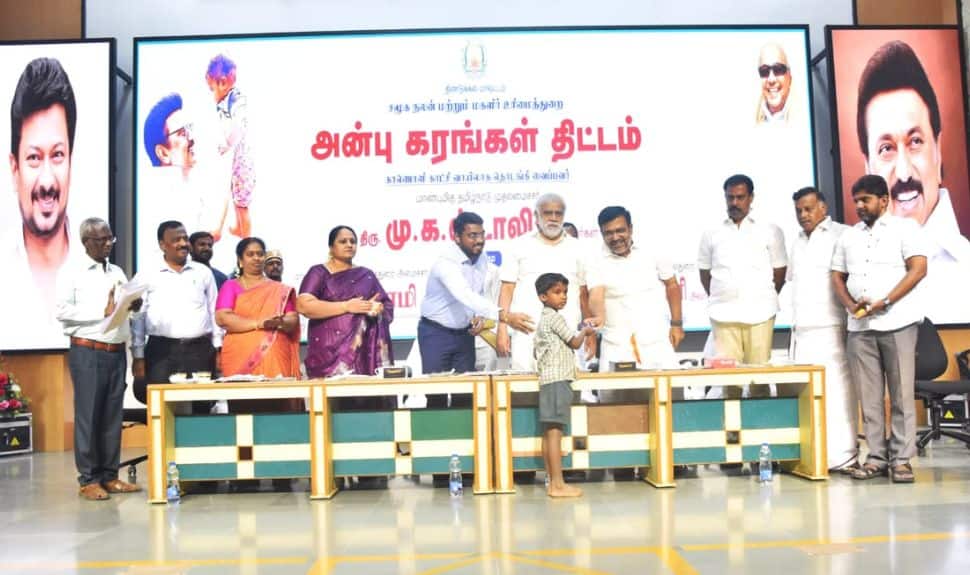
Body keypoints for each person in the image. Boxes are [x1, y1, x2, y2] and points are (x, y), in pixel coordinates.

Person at [855, 40, 970, 323]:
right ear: (867, 168)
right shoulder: (853, 269)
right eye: (886, 149)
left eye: (915, 142)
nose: (904, 173)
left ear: (938, 150)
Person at [831, 174, 928, 483]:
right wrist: (850, 305)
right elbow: (837, 276)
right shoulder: (848, 236)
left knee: (901, 395)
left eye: (865, 200)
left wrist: (886, 301)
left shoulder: (905, 228)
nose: (859, 206)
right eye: (856, 201)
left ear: (884, 200)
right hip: (860, 327)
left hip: (898, 323)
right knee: (869, 398)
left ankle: (901, 460)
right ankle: (876, 457)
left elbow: (918, 269)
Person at [55, 218, 141, 500]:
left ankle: (110, 475)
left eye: (110, 238)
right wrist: (99, 311)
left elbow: (123, 310)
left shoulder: (116, 271)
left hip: (116, 352)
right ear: (86, 242)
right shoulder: (72, 272)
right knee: (89, 416)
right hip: (88, 351)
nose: (107, 244)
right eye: (101, 240)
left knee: (112, 417)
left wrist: (135, 306)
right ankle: (88, 479)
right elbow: (61, 311)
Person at [2, 57, 78, 349]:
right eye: (34, 158)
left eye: (57, 155)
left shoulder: (97, 265)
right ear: (15, 168)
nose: (47, 182)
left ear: (70, 161)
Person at [418, 212, 530, 406]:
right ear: (457, 237)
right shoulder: (446, 264)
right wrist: (504, 316)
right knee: (436, 394)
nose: (479, 240)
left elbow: (477, 293)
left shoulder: (482, 259)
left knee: (467, 394)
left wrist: (477, 316)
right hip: (436, 334)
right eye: (472, 236)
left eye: (481, 234)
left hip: (465, 334)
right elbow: (464, 294)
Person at [787, 187, 857, 473]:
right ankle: (813, 457)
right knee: (806, 396)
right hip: (801, 330)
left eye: (808, 209)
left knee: (837, 395)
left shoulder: (842, 235)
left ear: (823, 208)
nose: (803, 215)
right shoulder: (796, 241)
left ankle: (844, 457)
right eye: (799, 211)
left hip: (831, 327)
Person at [698, 175, 786, 394]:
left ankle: (760, 417)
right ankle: (732, 418)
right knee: (730, 381)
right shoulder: (711, 233)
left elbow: (779, 272)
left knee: (759, 378)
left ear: (751, 198)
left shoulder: (770, 230)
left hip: (761, 312)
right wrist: (723, 295)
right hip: (723, 313)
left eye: (740, 197)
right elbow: (705, 273)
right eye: (730, 198)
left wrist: (762, 296)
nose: (734, 203)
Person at [497, 193, 591, 372]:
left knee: (569, 387)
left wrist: (590, 334)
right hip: (526, 333)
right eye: (548, 213)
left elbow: (584, 294)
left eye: (558, 213)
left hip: (567, 335)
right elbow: (507, 289)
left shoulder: (579, 249)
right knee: (525, 387)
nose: (553, 218)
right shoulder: (518, 246)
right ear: (536, 216)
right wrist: (502, 328)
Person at [588, 206, 683, 373]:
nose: (615, 237)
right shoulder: (594, 260)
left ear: (630, 229)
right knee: (615, 391)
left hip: (656, 341)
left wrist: (677, 324)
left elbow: (672, 285)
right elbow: (596, 294)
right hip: (616, 345)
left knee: (667, 388)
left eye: (620, 231)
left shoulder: (653, 250)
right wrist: (598, 318)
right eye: (608, 233)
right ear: (601, 233)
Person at [131, 221, 219, 399]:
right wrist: (138, 356)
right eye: (176, 240)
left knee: (201, 404)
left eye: (185, 238)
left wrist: (218, 348)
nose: (183, 243)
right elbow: (137, 317)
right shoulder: (146, 275)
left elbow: (213, 311)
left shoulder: (203, 272)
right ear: (162, 245)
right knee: (161, 402)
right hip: (161, 351)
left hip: (200, 351)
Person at [296, 225, 393, 378]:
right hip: (327, 354)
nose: (349, 245)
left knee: (364, 391)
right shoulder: (319, 272)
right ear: (331, 247)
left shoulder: (366, 274)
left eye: (353, 241)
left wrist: (376, 309)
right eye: (343, 241)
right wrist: (346, 306)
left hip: (362, 352)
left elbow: (386, 306)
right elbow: (303, 305)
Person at [533, 273, 596, 498]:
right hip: (558, 379)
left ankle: (553, 483)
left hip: (549, 379)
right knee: (555, 432)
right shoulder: (555, 319)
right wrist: (586, 331)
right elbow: (575, 342)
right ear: (543, 296)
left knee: (550, 432)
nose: (563, 297)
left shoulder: (544, 319)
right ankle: (557, 485)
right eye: (557, 292)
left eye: (565, 292)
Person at [216, 237, 300, 380]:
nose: (256, 258)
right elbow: (222, 318)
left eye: (260, 254)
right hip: (239, 357)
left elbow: (292, 319)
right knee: (243, 394)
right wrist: (259, 323)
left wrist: (280, 322)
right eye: (250, 254)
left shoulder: (280, 289)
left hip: (275, 355)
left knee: (278, 393)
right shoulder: (230, 286)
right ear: (240, 260)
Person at [142, 93, 221, 239]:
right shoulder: (160, 201)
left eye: (189, 129)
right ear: (163, 153)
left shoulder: (195, 188)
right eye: (182, 133)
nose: (191, 138)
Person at [207, 54, 254, 239]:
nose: (212, 95)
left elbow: (238, 126)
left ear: (223, 83)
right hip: (235, 156)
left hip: (242, 158)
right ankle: (234, 228)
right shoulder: (225, 101)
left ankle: (247, 238)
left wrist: (227, 143)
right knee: (233, 194)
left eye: (212, 89)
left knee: (241, 203)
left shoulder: (235, 99)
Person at [755, 43, 793, 123]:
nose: (771, 79)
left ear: (789, 77)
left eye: (778, 69)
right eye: (764, 71)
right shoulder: (750, 120)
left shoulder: (803, 115)